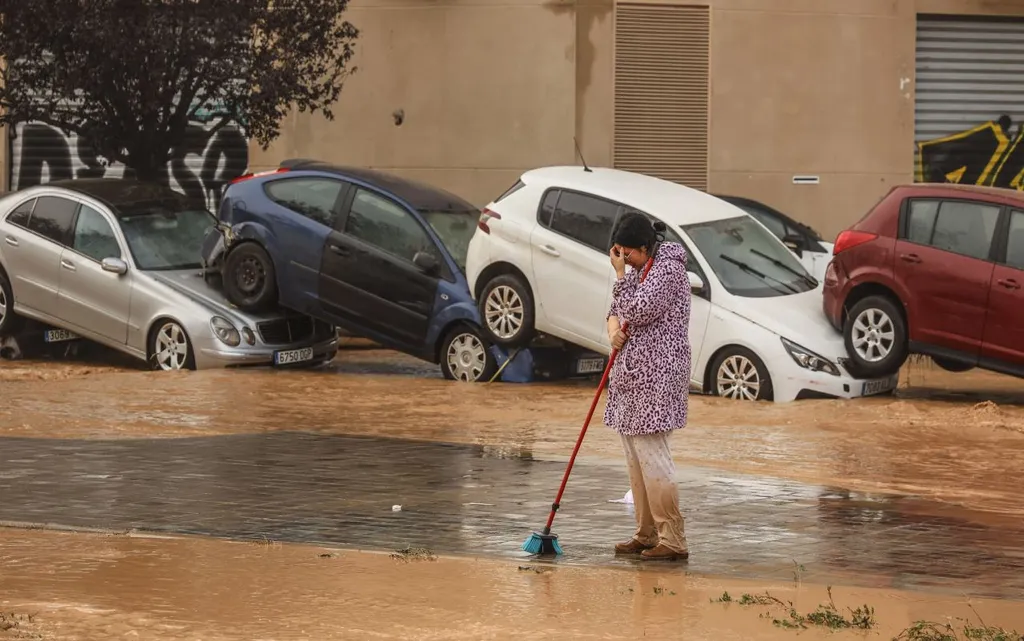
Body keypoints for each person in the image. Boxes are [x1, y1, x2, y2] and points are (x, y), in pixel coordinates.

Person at [604, 211, 692, 561]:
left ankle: (673, 538)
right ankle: (646, 532)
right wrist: (613, 332)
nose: (624, 260)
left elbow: (638, 310)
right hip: (629, 379)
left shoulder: (669, 270)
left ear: (645, 247)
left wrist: (621, 275)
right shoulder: (642, 271)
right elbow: (616, 309)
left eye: (629, 254)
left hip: (656, 379)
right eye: (620, 254)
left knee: (654, 457)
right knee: (634, 459)